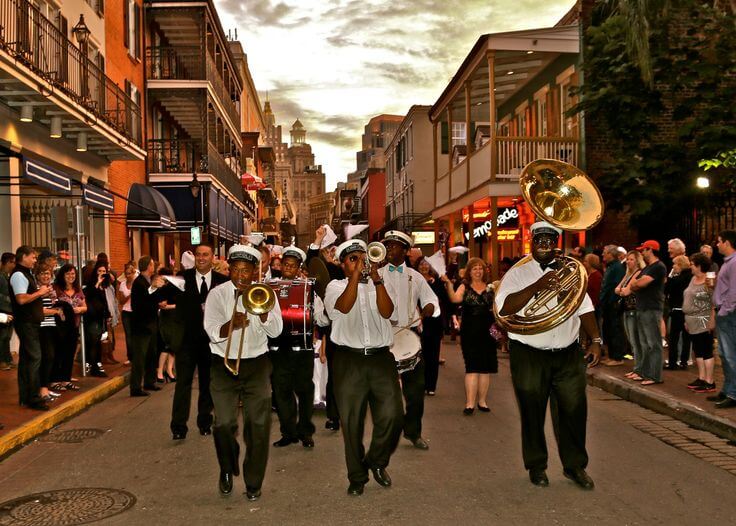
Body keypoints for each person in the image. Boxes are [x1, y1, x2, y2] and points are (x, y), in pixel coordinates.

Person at [494, 222, 601, 490]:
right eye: (539, 239)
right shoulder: (518, 272)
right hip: (529, 353)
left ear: (557, 242)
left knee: (574, 411)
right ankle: (537, 465)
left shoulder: (572, 270)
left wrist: (596, 340)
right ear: (531, 241)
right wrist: (538, 286)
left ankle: (575, 466)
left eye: (549, 239)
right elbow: (505, 308)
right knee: (532, 411)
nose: (544, 243)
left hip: (567, 352)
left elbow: (584, 307)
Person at [203, 244, 283, 500]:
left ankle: (253, 481)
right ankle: (227, 467)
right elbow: (212, 331)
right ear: (229, 270)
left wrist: (262, 314)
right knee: (223, 424)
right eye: (235, 270)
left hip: (257, 364)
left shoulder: (265, 293)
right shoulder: (217, 294)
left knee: (258, 426)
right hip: (223, 365)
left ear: (254, 271)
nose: (240, 275)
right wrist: (231, 326)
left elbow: (277, 332)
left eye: (245, 270)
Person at [324, 239, 402, 496]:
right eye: (352, 259)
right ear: (342, 263)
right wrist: (355, 278)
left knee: (393, 414)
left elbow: (388, 312)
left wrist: (377, 279)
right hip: (349, 360)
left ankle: (376, 461)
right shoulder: (335, 286)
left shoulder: (382, 281)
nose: (360, 262)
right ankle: (357, 476)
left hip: (381, 358)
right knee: (352, 422)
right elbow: (344, 307)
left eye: (363, 257)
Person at [379, 231, 439, 450]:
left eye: (394, 246)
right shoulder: (377, 275)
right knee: (386, 393)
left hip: (411, 338)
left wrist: (429, 308)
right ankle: (386, 433)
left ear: (405, 251)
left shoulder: (416, 276)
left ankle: (413, 432)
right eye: (388, 246)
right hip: (384, 339)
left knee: (416, 393)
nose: (390, 249)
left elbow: (431, 299)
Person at [269, 245, 329, 449]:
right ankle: (288, 432)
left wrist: (326, 313)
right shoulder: (270, 286)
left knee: (304, 391)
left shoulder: (308, 290)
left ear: (298, 268)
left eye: (292, 266)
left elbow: (321, 318)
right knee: (281, 391)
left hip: (302, 347)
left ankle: (305, 432)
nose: (288, 268)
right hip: (277, 347)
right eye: (285, 264)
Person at [171, 243, 229, 440]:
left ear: (213, 257)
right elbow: (161, 296)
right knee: (183, 384)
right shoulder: (182, 278)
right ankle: (178, 427)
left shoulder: (222, 281)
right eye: (198, 255)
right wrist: (155, 285)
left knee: (207, 384)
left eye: (205, 254)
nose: (201, 258)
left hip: (211, 343)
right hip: (186, 342)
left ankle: (205, 422)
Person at [443, 257, 497, 415]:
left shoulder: (490, 287)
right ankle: (470, 403)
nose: (478, 271)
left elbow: (497, 307)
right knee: (472, 367)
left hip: (488, 331)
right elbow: (454, 299)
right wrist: (448, 283)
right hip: (470, 331)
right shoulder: (464, 286)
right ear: (469, 271)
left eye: (481, 268)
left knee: (485, 368)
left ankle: (482, 401)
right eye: (475, 268)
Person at [307, 225, 345, 431]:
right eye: (329, 250)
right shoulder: (331, 270)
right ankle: (334, 416)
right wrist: (317, 240)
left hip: (355, 329)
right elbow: (312, 263)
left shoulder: (351, 271)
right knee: (335, 373)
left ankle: (349, 412)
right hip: (334, 327)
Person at [9, 246, 51, 410]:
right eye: (33, 257)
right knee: (35, 358)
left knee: (27, 359)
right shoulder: (19, 275)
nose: (35, 260)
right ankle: (34, 397)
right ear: (23, 257)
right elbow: (21, 299)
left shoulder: (24, 274)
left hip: (30, 322)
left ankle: (26, 396)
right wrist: (40, 293)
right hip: (26, 323)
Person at [624, 240, 667, 386]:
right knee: (644, 343)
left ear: (651, 250)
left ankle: (655, 375)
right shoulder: (648, 268)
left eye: (644, 250)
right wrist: (636, 283)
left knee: (653, 343)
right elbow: (634, 284)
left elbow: (639, 284)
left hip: (651, 307)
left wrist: (637, 283)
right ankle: (645, 372)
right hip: (642, 308)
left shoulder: (658, 267)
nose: (642, 252)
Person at [129, 256, 167, 396]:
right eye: (152, 265)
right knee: (140, 357)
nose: (154, 267)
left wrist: (158, 302)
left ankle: (149, 382)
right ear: (147, 266)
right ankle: (135, 387)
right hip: (141, 326)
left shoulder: (148, 281)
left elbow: (151, 298)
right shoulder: (139, 283)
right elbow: (140, 303)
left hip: (151, 323)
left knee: (152, 354)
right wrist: (153, 290)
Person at [683, 253, 717, 393]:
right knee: (698, 350)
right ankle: (701, 378)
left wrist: (711, 320)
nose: (690, 266)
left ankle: (710, 381)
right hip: (691, 320)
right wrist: (687, 319)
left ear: (699, 266)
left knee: (706, 350)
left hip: (703, 320)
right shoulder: (693, 279)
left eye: (692, 264)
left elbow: (713, 302)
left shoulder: (709, 281)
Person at [415, 257, 447, 395]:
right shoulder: (414, 280)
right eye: (421, 264)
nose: (424, 266)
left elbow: (443, 300)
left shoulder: (437, 282)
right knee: (419, 355)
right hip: (418, 321)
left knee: (433, 355)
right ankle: (420, 384)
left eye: (427, 264)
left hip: (434, 322)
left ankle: (431, 386)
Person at [51, 264, 86, 392]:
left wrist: (79, 309)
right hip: (60, 327)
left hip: (74, 325)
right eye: (68, 274)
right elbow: (52, 305)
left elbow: (85, 306)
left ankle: (66, 379)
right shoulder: (56, 289)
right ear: (62, 275)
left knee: (70, 353)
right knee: (58, 352)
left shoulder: (78, 289)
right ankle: (55, 380)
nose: (71, 276)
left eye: (73, 274)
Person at [711, 230, 736, 408]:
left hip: (729, 315)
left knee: (730, 354)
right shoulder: (727, 263)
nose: (717, 244)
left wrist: (725, 310)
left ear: (727, 243)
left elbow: (734, 290)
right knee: (724, 354)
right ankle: (727, 389)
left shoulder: (734, 263)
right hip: (724, 313)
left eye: (719, 241)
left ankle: (733, 393)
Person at [615, 250, 646, 380]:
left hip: (634, 310)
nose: (628, 261)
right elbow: (616, 289)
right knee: (632, 341)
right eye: (627, 259)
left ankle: (640, 370)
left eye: (631, 259)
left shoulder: (638, 273)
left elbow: (626, 292)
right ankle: (636, 368)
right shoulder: (628, 273)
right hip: (627, 309)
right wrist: (622, 290)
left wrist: (622, 290)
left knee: (636, 341)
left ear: (638, 260)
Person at [36, 264, 62, 403]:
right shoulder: (37, 290)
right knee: (47, 357)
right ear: (37, 276)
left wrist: (54, 300)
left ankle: (46, 386)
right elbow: (40, 310)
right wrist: (56, 311)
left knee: (52, 357)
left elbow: (55, 306)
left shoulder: (50, 289)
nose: (46, 276)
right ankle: (42, 389)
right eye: (43, 274)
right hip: (42, 327)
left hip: (52, 326)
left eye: (48, 274)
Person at [83, 263, 111, 377]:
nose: (102, 274)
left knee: (98, 341)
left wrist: (108, 315)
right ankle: (93, 366)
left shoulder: (103, 287)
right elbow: (89, 295)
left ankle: (95, 363)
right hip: (92, 318)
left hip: (100, 318)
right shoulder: (91, 285)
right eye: (99, 271)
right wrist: (97, 282)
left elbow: (104, 302)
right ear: (95, 272)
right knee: (93, 342)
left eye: (104, 271)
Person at [599, 245, 626, 366]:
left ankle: (617, 357)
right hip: (607, 303)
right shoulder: (610, 266)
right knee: (608, 330)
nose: (602, 255)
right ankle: (611, 355)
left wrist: (612, 302)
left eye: (605, 252)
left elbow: (616, 286)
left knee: (615, 330)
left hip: (612, 303)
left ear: (611, 254)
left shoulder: (617, 267)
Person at [664, 255, 692, 370]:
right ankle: (684, 362)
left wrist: (670, 277)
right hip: (689, 311)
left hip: (677, 310)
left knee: (674, 338)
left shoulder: (676, 279)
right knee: (686, 338)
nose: (673, 266)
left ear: (680, 265)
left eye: (675, 264)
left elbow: (666, 290)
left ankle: (672, 362)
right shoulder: (691, 277)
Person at [117, 262, 137, 366]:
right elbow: (121, 301)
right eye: (127, 274)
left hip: (135, 312)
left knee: (136, 335)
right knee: (128, 335)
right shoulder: (123, 285)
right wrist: (129, 295)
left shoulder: (137, 283)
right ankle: (130, 357)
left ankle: (137, 355)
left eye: (130, 273)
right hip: (126, 312)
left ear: (134, 273)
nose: (128, 275)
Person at [0, 252, 15, 370]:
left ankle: (7, 359)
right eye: (13, 262)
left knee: (7, 337)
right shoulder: (1, 276)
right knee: (3, 336)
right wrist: (9, 299)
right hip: (3, 310)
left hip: (8, 310)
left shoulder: (7, 276)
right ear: (8, 262)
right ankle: (3, 361)